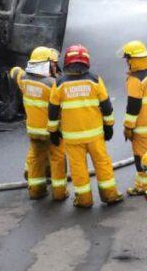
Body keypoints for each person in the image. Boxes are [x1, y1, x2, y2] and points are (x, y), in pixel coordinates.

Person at [48, 44, 123, 208]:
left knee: (78, 169)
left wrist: (53, 132)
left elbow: (53, 110)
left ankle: (84, 200)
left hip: (72, 138)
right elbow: (107, 106)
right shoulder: (95, 80)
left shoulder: (59, 84)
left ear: (67, 62)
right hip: (95, 135)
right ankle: (110, 196)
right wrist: (109, 126)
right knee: (103, 164)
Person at [10, 46, 68, 201]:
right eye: (53, 63)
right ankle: (59, 192)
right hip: (52, 130)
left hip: (33, 131)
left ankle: (36, 190)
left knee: (36, 159)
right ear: (46, 64)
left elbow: (14, 71)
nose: (55, 66)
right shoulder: (52, 84)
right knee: (58, 159)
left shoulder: (23, 79)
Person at [120, 40, 147, 196]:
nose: (126, 61)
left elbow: (133, 106)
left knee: (141, 158)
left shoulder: (135, 80)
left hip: (142, 127)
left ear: (133, 59)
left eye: (127, 58)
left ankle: (143, 186)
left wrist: (128, 127)